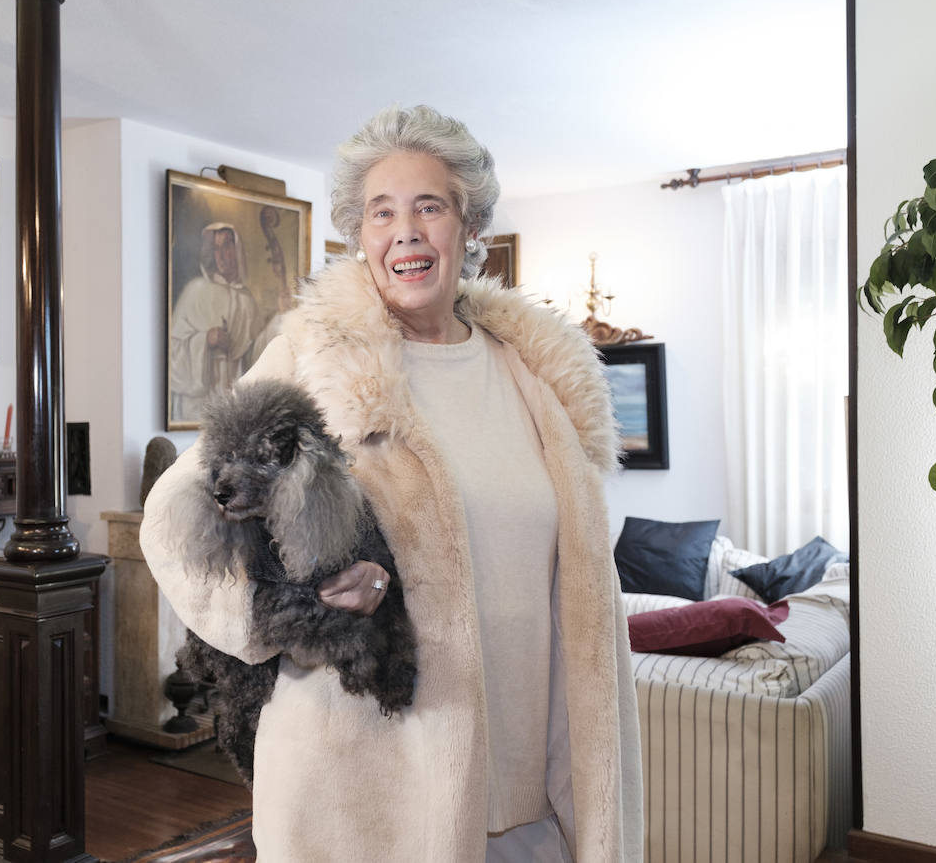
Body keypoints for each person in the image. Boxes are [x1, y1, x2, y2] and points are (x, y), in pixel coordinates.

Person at [141, 106, 642, 862]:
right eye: (382, 212)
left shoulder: (533, 373)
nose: (405, 230)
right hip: (366, 786)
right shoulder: (313, 356)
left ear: (468, 227)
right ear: (360, 236)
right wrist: (309, 602)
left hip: (532, 793)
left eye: (428, 206)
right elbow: (174, 517)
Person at [168, 222, 262, 423]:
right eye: (216, 248)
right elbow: (172, 347)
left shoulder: (247, 301)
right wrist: (205, 340)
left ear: (237, 250)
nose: (220, 254)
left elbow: (260, 354)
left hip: (233, 404)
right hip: (197, 404)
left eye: (226, 246)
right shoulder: (195, 291)